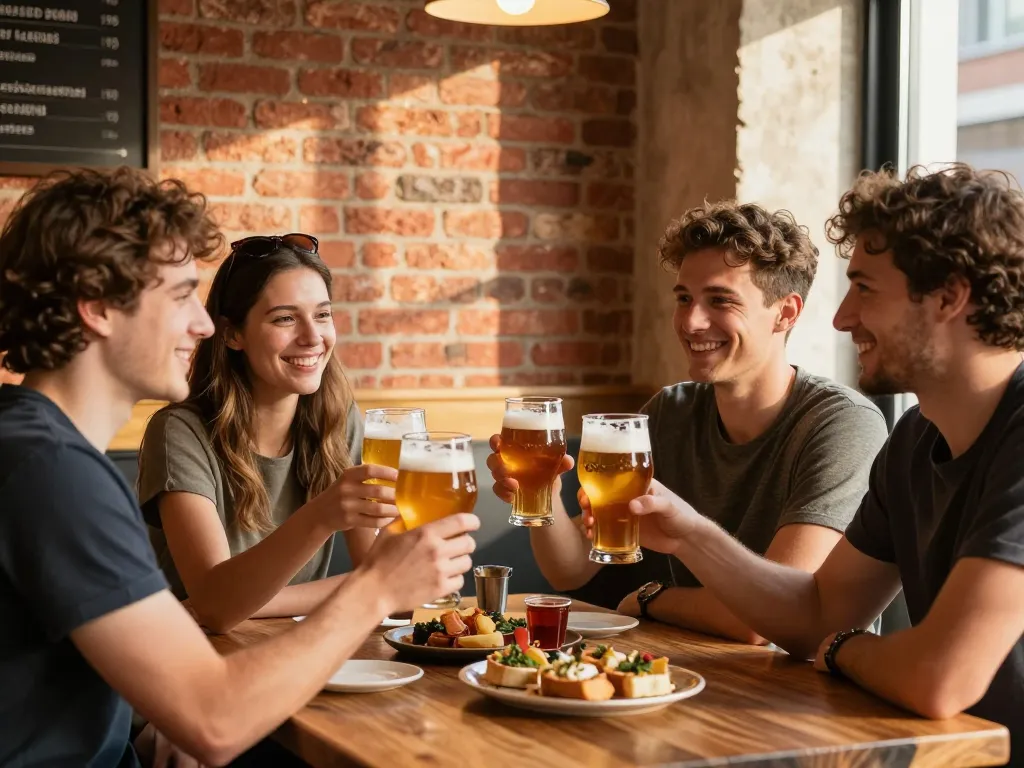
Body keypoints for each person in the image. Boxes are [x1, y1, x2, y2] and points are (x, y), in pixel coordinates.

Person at [0, 167, 478, 767]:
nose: (203, 325)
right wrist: (376, 587)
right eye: (180, 297)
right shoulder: (53, 473)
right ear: (96, 307)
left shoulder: (39, 450)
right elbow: (214, 720)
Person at [597, 163, 1024, 762]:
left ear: (950, 296)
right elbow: (815, 611)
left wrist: (841, 648)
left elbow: (938, 676)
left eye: (866, 288)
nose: (842, 316)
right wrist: (691, 535)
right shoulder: (912, 440)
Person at [488, 201, 888, 643]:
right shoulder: (668, 412)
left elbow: (769, 622)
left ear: (786, 312)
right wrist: (539, 493)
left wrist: (649, 598)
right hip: (699, 671)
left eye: (720, 300)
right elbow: (570, 569)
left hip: (807, 693)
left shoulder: (841, 425)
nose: (691, 322)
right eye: (684, 299)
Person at [137, 234, 391, 635]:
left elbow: (385, 576)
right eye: (285, 318)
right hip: (190, 654)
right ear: (232, 334)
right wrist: (322, 518)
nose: (312, 337)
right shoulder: (180, 432)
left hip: (297, 646)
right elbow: (218, 608)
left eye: (323, 315)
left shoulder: (340, 420)